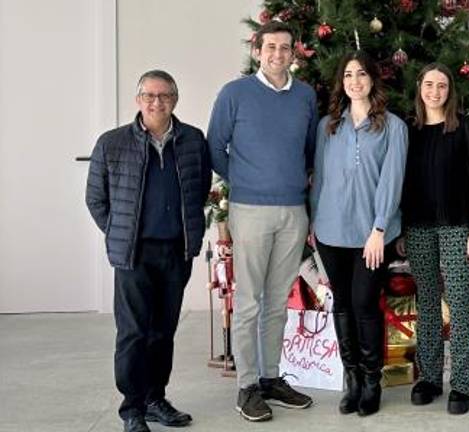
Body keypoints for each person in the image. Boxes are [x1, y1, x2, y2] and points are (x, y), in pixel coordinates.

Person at [85, 70, 211, 432]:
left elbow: (199, 189)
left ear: (175, 99)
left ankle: (156, 399)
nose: (157, 102)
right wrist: (120, 233)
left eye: (165, 95)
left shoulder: (192, 140)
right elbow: (96, 199)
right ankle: (132, 409)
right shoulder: (112, 143)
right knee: (133, 333)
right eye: (150, 96)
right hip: (134, 255)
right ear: (138, 100)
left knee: (163, 331)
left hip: (176, 252)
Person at [207, 21, 318, 423]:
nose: (277, 54)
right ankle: (247, 386)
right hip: (250, 209)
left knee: (277, 301)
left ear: (294, 53)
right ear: (257, 51)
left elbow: (309, 150)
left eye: (285, 48)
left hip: (293, 209)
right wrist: (245, 180)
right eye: (270, 47)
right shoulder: (235, 94)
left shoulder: (305, 96)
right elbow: (215, 146)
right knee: (250, 300)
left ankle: (272, 377)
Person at [310, 50, 408, 417]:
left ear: (373, 80)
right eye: (348, 74)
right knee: (344, 306)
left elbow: (391, 181)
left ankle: (372, 380)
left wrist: (379, 228)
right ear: (342, 82)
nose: (355, 80)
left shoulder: (392, 127)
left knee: (366, 305)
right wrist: (312, 221)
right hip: (330, 231)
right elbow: (319, 177)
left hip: (372, 236)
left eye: (362, 74)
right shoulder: (327, 126)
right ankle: (351, 379)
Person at [395, 63, 469, 415]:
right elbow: (400, 184)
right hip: (417, 227)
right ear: (420, 88)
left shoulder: (463, 128)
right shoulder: (408, 130)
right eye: (429, 84)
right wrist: (401, 227)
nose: (435, 91)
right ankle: (430, 377)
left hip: (457, 227)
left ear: (450, 91)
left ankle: (462, 383)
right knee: (428, 302)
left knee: (459, 304)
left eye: (442, 86)